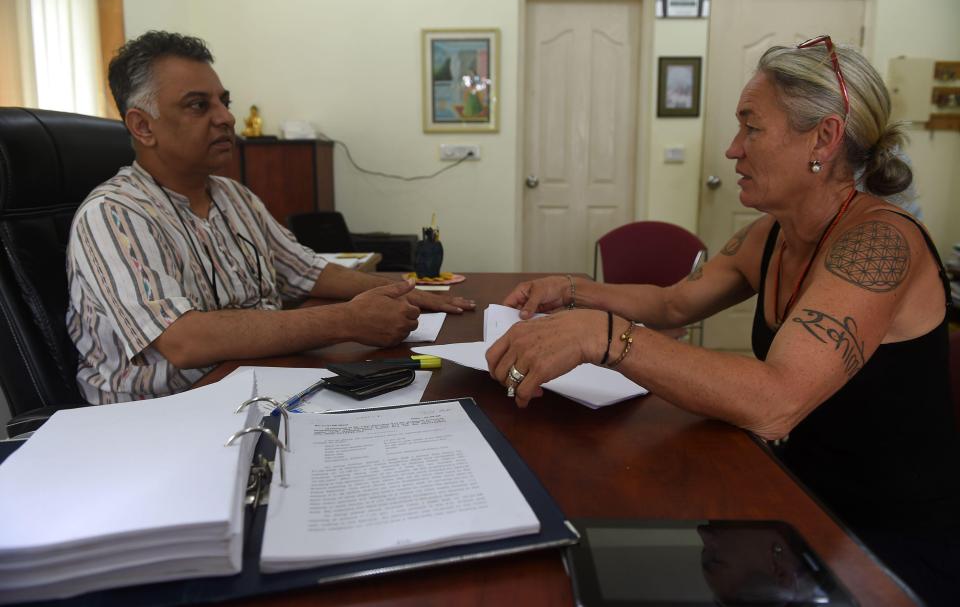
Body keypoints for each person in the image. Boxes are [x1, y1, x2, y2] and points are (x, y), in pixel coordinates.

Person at [487, 36, 960, 605]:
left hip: (885, 540)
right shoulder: (771, 235)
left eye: (751, 127)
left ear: (825, 137)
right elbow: (673, 305)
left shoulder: (880, 243)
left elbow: (776, 400)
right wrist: (570, 288)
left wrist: (603, 336)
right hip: (799, 498)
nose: (733, 149)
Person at [67, 31, 474, 405]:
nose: (225, 118)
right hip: (160, 418)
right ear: (142, 126)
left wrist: (400, 291)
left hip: (253, 385)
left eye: (223, 102)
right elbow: (184, 341)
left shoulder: (233, 196)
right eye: (198, 105)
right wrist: (346, 320)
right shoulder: (113, 215)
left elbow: (308, 270)